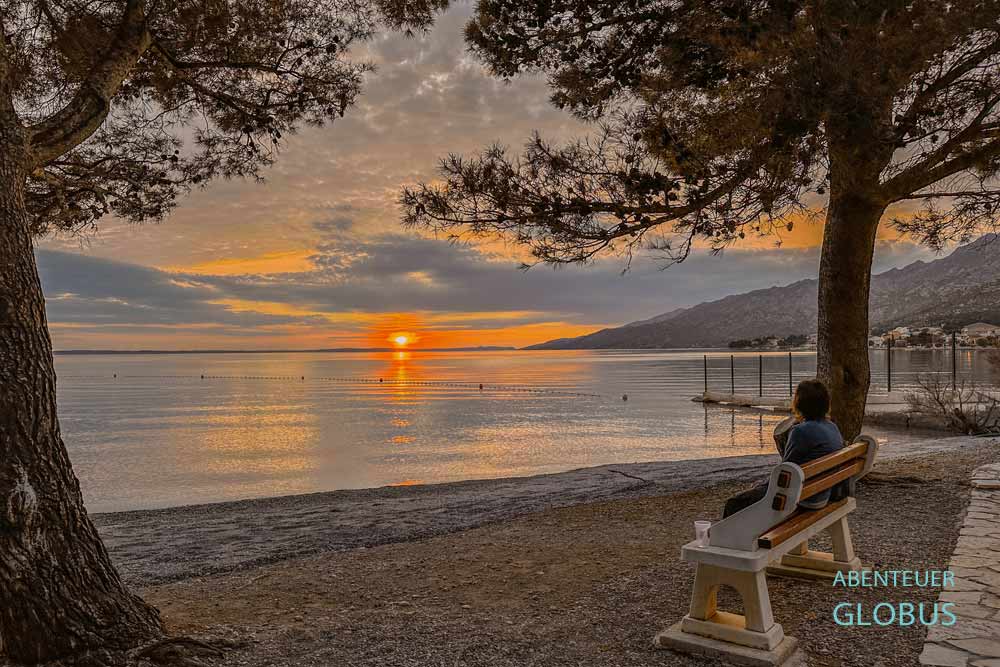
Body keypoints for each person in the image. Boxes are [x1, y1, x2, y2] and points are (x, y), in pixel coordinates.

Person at [723, 378, 846, 517]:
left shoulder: (801, 431)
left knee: (734, 503)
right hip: (822, 493)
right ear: (825, 403)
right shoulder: (832, 426)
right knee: (753, 494)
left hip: (802, 498)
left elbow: (785, 470)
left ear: (800, 404)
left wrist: (762, 486)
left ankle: (725, 539)